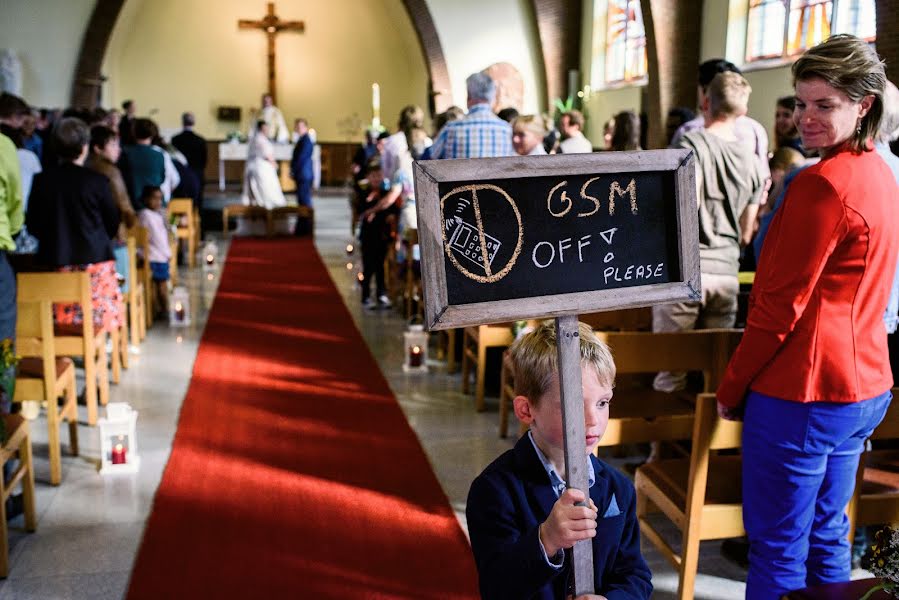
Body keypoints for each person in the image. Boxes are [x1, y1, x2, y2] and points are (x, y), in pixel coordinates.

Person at [716, 35, 898, 600]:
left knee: (777, 547)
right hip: (861, 386)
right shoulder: (878, 172)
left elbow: (777, 308)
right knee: (827, 535)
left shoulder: (821, 184)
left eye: (826, 105)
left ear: (864, 105)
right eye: (801, 103)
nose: (806, 118)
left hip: (805, 391)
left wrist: (732, 383)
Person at [466, 320, 652, 599]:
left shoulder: (618, 488)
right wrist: (546, 539)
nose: (593, 421)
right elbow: (497, 588)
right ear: (527, 410)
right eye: (574, 404)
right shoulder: (494, 490)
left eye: (603, 403)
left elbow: (635, 575)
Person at [653, 72, 765, 393]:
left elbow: (689, 205)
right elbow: (747, 231)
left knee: (671, 370)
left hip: (688, 271)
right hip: (727, 274)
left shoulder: (692, 144)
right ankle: (707, 442)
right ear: (742, 111)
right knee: (716, 372)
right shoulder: (753, 162)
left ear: (705, 102)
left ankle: (660, 444)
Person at [26, 117, 123, 333]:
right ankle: (100, 347)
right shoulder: (97, 181)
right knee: (97, 318)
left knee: (59, 320)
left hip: (55, 259)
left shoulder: (42, 180)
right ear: (85, 147)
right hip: (95, 261)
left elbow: (33, 223)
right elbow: (112, 221)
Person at [670, 59, 770, 180]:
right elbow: (764, 177)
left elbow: (674, 180)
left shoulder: (689, 132)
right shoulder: (756, 130)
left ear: (705, 91)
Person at [428, 73, 514, 159]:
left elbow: (427, 160)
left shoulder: (451, 128)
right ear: (492, 97)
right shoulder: (507, 130)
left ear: (469, 95)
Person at [357, 157, 396, 309]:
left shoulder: (385, 193)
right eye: (373, 176)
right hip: (367, 236)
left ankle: (381, 294)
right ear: (368, 177)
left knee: (380, 266)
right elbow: (360, 211)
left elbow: (391, 210)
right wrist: (368, 204)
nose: (376, 179)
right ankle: (365, 295)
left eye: (379, 175)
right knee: (368, 266)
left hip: (382, 235)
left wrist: (389, 216)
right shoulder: (363, 193)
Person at [86, 125, 136, 242]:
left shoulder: (83, 166)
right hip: (111, 234)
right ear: (97, 148)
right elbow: (124, 205)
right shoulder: (110, 170)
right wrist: (131, 221)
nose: (118, 149)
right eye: (113, 145)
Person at [137, 186, 171, 317]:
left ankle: (157, 310)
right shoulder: (147, 215)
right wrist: (168, 253)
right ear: (146, 199)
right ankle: (164, 310)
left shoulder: (151, 214)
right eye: (154, 198)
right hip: (157, 256)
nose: (158, 202)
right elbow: (158, 238)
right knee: (161, 286)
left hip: (152, 254)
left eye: (160, 199)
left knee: (157, 285)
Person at [119, 118, 165, 210]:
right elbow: (161, 179)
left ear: (133, 132)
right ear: (152, 134)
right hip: (154, 203)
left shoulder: (125, 154)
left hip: (132, 203)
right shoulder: (159, 155)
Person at [241, 121, 287, 210]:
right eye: (265, 128)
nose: (267, 130)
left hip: (260, 165)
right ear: (261, 129)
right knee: (265, 185)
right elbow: (266, 153)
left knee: (263, 186)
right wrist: (274, 163)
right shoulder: (259, 139)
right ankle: (267, 204)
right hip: (262, 166)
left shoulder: (258, 138)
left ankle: (262, 203)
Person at [171, 111, 208, 196]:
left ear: (182, 122)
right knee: (197, 199)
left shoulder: (175, 140)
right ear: (194, 123)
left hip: (180, 175)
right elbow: (204, 160)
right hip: (197, 174)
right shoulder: (200, 140)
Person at [290, 118, 314, 209]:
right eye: (297, 126)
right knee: (301, 199)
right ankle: (302, 221)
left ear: (305, 127)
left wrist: (293, 170)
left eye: (300, 127)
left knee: (304, 200)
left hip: (303, 173)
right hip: (301, 173)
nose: (298, 129)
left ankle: (306, 221)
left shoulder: (306, 140)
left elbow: (301, 159)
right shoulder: (302, 140)